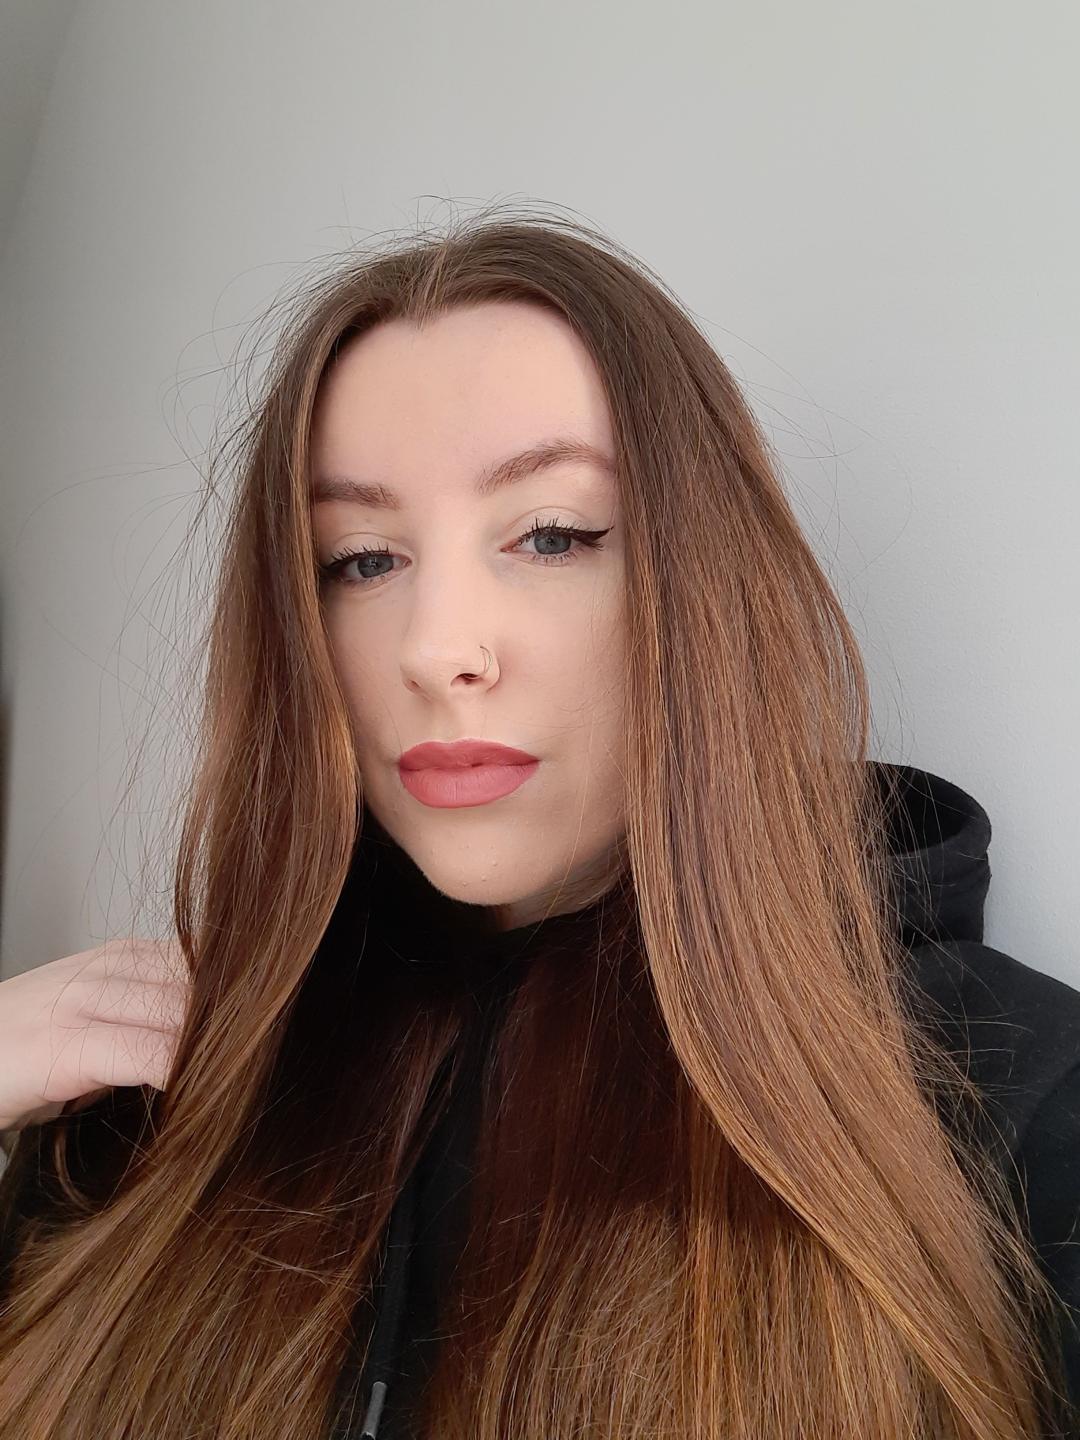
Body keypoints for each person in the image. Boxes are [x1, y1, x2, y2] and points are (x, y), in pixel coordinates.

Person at [0, 209, 1078, 1440]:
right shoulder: (159, 1091)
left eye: (553, 535)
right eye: (361, 560)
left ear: (709, 589)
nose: (436, 649)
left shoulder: (1017, 1107)